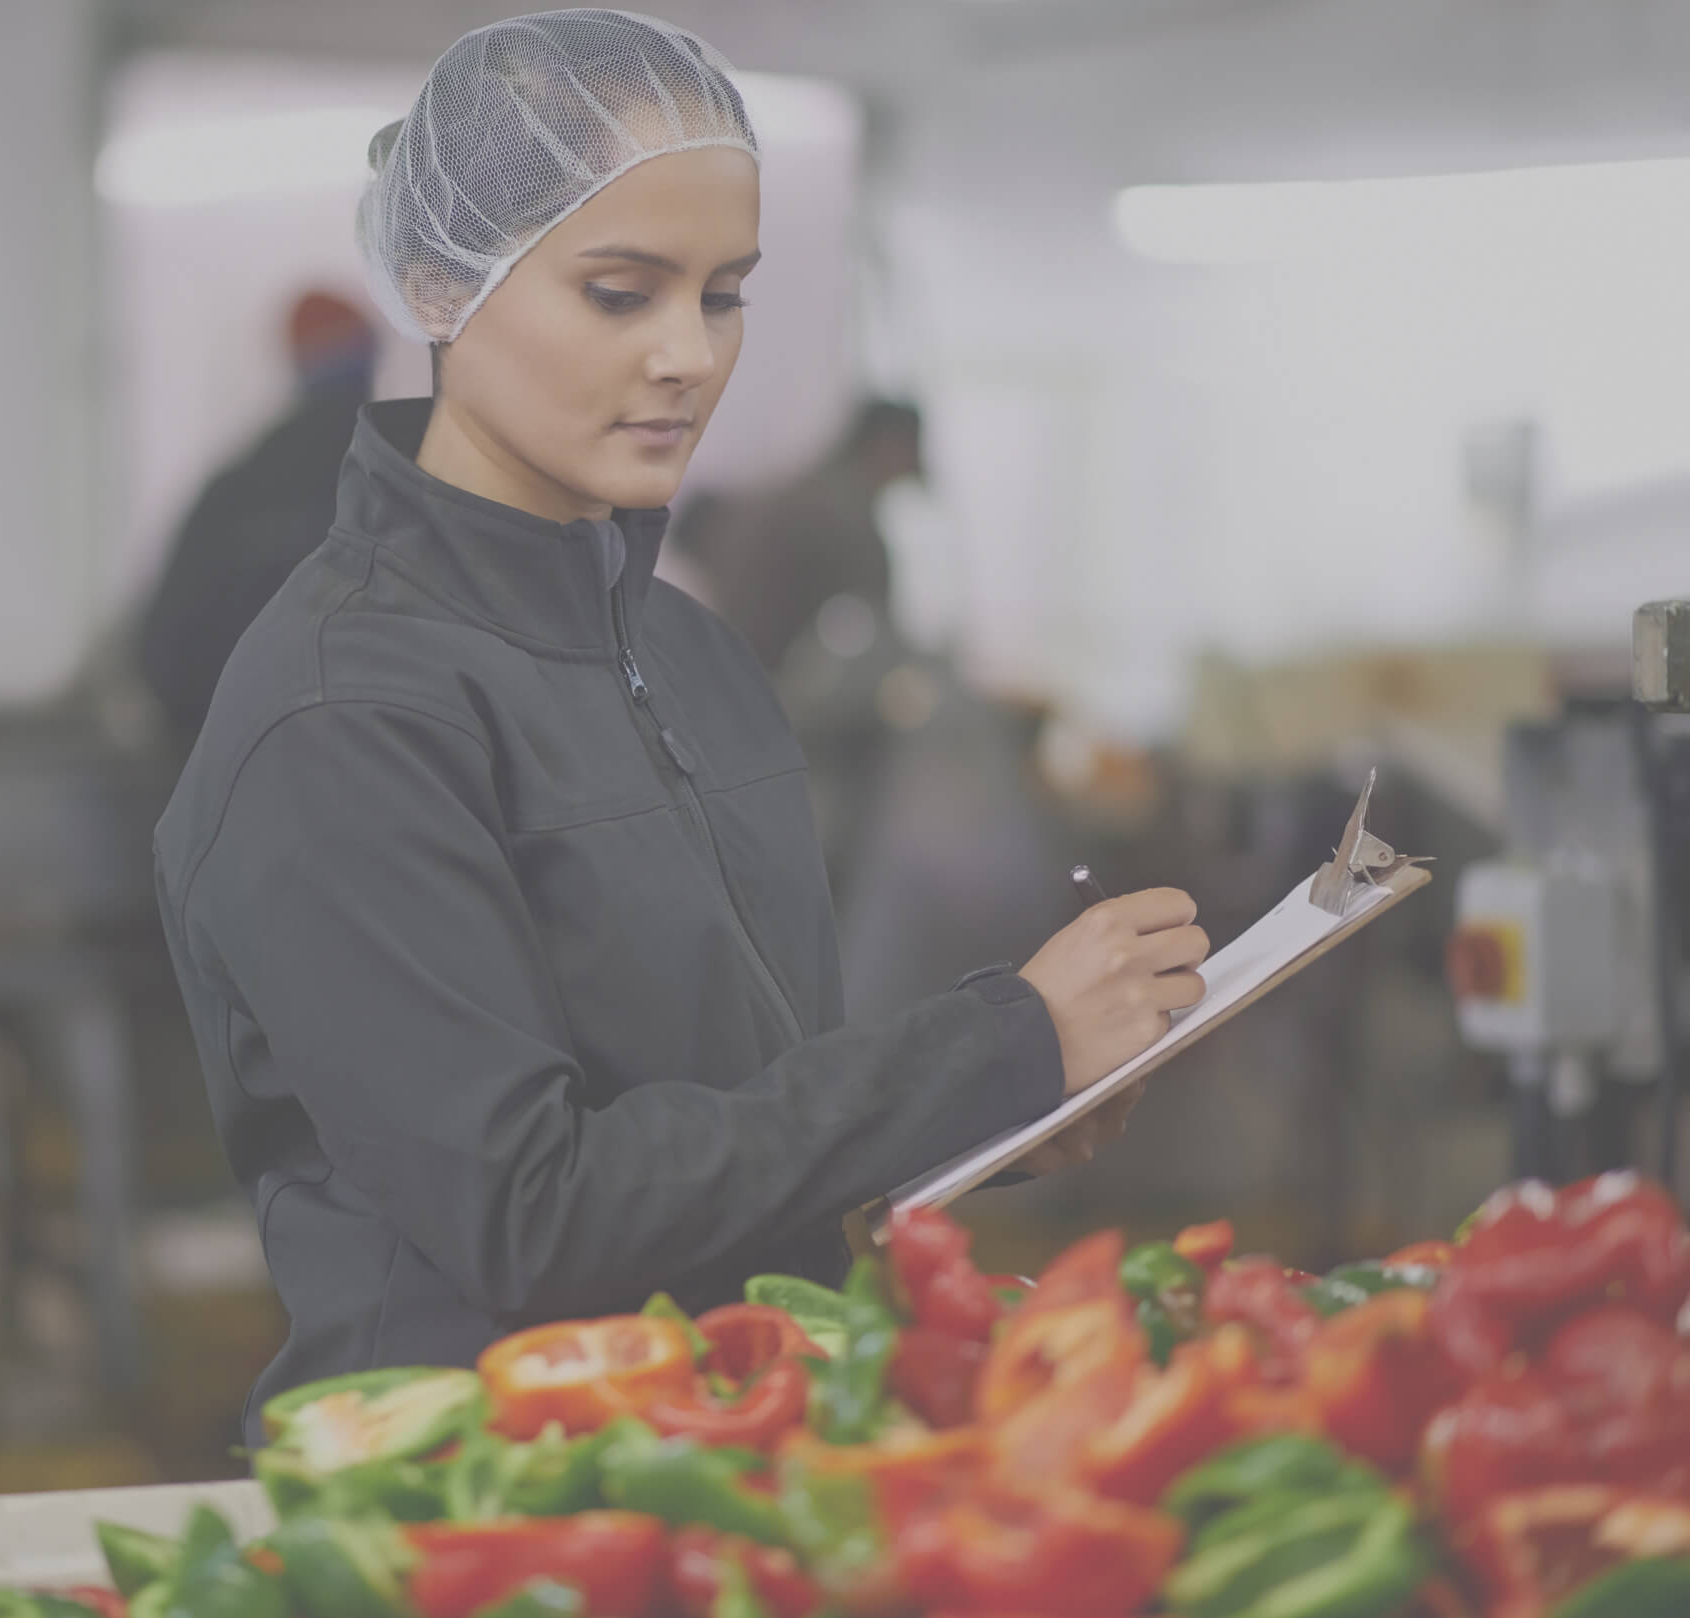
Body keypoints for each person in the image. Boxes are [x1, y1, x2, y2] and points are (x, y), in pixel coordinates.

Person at [153, 10, 1208, 1445]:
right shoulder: (346, 715)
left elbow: (740, 1118)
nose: (687, 356)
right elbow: (534, 1216)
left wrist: (987, 1121)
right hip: (478, 1501)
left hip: (736, 1446)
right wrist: (991, 1047)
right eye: (618, 292)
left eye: (723, 295)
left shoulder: (687, 652)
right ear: (436, 282)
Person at [135, 290, 379, 742]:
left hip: (206, 728)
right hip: (337, 736)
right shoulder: (393, 476)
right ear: (369, 355)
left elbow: (161, 652)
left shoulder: (237, 480)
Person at [676, 397, 924, 674]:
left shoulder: (800, 495)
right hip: (783, 695)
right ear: (889, 447)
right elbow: (875, 641)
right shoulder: (843, 517)